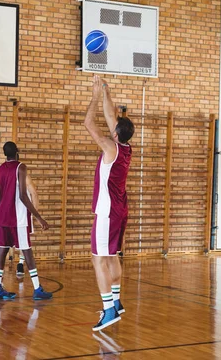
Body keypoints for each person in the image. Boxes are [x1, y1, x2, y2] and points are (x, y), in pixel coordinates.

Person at [83, 75, 134, 331]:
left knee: (98, 258)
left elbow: (88, 122)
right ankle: (116, 301)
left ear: (115, 133)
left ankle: (108, 310)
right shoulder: (125, 147)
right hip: (121, 209)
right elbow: (111, 114)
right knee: (112, 256)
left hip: (107, 212)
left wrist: (94, 96)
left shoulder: (109, 148)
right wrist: (105, 89)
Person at [0, 141, 53, 300]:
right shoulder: (21, 167)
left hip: (4, 218)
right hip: (18, 218)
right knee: (27, 252)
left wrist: (2, 210)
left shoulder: (1, 169)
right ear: (17, 152)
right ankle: (38, 289)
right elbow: (23, 196)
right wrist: (39, 217)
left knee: (2, 251)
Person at [0, 174, 40, 277]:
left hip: (22, 215)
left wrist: (35, 213)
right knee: (4, 242)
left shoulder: (24, 176)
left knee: (24, 244)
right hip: (10, 214)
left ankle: (20, 264)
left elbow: (34, 193)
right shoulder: (6, 176)